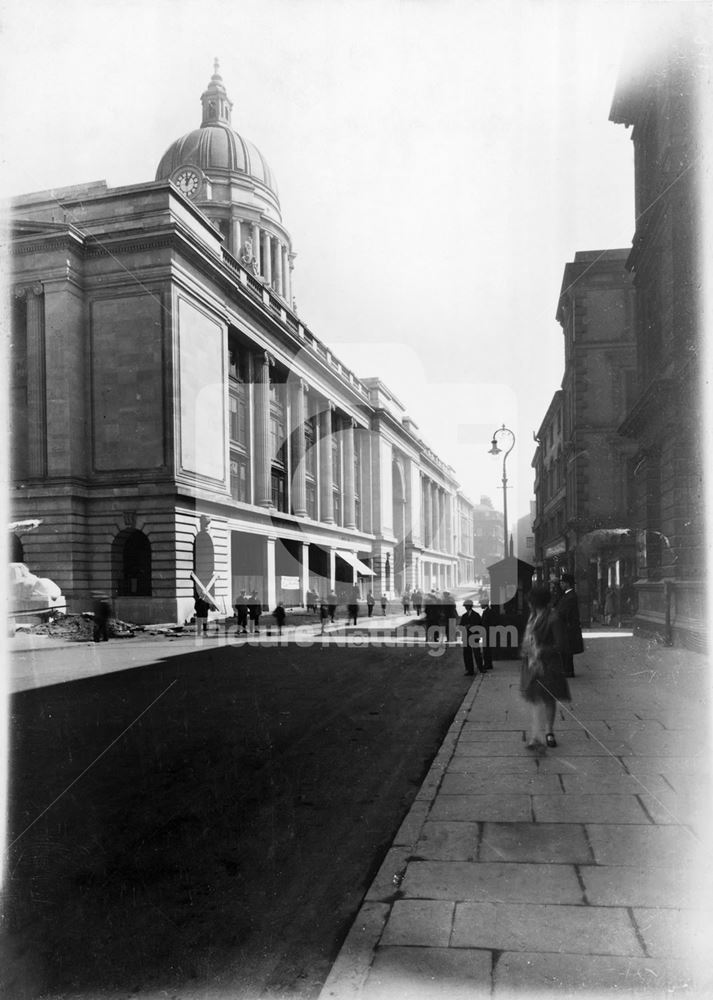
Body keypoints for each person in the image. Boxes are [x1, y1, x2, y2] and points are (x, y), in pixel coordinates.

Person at [520, 584, 571, 752]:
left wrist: (541, 650)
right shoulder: (533, 616)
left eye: (530, 601)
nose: (528, 604)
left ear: (535, 602)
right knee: (536, 698)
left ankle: (548, 732)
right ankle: (537, 735)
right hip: (533, 664)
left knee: (548, 698)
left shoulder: (553, 618)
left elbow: (562, 645)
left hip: (548, 665)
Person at [557, 573, 584, 677]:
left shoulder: (570, 596)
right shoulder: (568, 595)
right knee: (566, 651)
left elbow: (563, 611)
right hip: (568, 627)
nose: (561, 585)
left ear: (567, 583)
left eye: (562, 582)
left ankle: (568, 671)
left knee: (567, 651)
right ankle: (567, 670)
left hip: (568, 627)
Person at [460, 599, 484, 675]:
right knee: (467, 654)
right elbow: (461, 626)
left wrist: (470, 626)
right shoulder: (464, 616)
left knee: (477, 654)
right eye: (465, 606)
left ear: (470, 606)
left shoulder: (476, 615)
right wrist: (464, 626)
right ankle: (469, 670)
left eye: (467, 606)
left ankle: (480, 668)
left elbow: (479, 625)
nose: (466, 608)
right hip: (466, 637)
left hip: (474, 637)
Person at [480, 600, 496, 670]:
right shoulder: (487, 611)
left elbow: (491, 623)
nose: (480, 605)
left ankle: (488, 664)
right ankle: (487, 664)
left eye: (481, 604)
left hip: (488, 633)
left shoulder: (488, 612)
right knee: (486, 649)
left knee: (487, 649)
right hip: (486, 632)